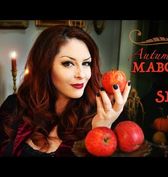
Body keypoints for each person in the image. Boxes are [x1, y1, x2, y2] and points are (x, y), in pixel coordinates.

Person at [0, 25, 131, 157]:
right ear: (45, 66)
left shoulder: (109, 116)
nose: (81, 75)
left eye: (86, 63)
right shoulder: (14, 106)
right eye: (68, 63)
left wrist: (101, 131)